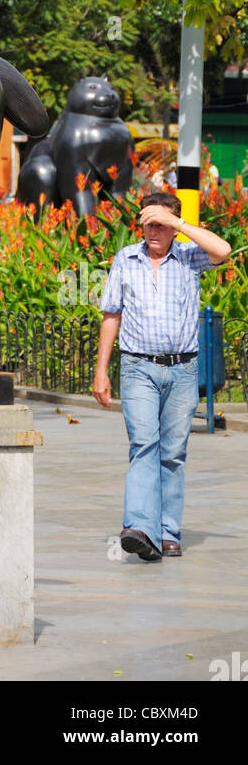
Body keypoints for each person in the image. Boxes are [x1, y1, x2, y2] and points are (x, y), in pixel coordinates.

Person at [93, 191, 231, 561]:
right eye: (148, 223)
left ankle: (167, 531)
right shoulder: (127, 259)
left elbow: (223, 251)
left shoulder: (189, 257)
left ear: (172, 226)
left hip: (183, 369)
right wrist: (101, 371)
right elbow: (111, 315)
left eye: (161, 223)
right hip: (138, 367)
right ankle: (139, 527)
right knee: (144, 444)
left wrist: (180, 225)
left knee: (172, 453)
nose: (154, 230)